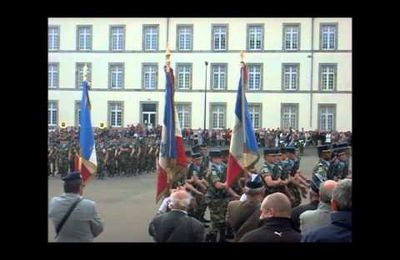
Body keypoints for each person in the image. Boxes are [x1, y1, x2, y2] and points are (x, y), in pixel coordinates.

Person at [48, 172, 104, 242]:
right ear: (80, 187)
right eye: (83, 186)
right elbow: (99, 228)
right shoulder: (89, 205)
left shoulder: (53, 202)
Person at [226, 175, 265, 242]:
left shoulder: (232, 205)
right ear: (263, 191)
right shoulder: (265, 210)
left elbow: (228, 223)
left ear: (244, 190)